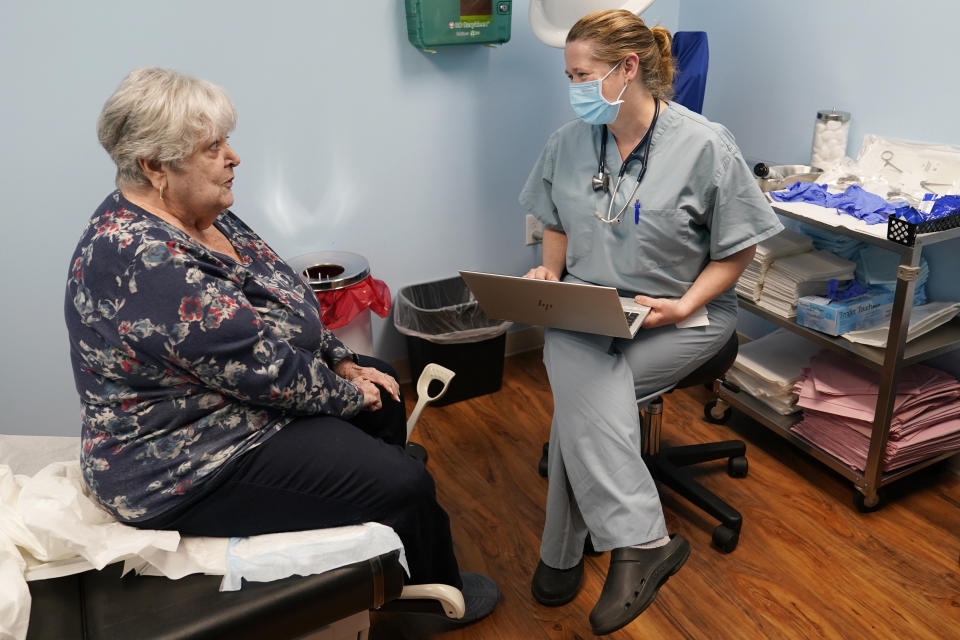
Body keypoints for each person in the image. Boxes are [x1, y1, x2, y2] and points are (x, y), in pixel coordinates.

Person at [64, 67, 498, 624]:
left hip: (229, 403)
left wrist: (341, 360)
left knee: (382, 389)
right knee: (406, 479)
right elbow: (268, 371)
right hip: (183, 462)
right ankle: (433, 597)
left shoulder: (199, 213)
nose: (234, 157)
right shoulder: (143, 260)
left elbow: (279, 300)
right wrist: (351, 394)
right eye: (213, 146)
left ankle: (385, 542)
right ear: (154, 166)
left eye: (227, 140)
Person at [519, 10, 783, 636]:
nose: (574, 88)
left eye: (582, 74)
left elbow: (739, 249)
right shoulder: (568, 142)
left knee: (580, 406)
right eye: (569, 75)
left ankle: (563, 553)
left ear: (627, 68)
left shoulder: (706, 146)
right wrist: (551, 276)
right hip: (587, 304)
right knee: (587, 392)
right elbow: (554, 217)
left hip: (684, 314)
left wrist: (689, 304)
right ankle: (642, 542)